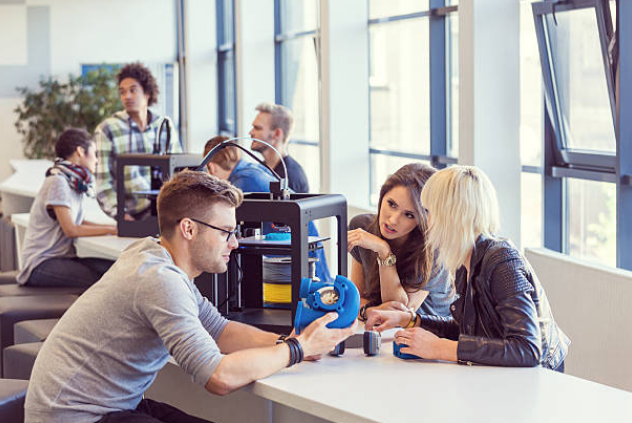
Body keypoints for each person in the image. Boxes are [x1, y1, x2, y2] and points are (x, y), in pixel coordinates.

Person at [25, 170, 355, 423]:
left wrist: (288, 340)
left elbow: (220, 329)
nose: (235, 243)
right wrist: (297, 349)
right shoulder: (159, 279)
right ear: (188, 229)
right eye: (226, 232)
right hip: (76, 417)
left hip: (104, 407)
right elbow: (219, 377)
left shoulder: (153, 255)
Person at [366, 165, 570, 370]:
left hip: (538, 380)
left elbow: (527, 349)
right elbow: (471, 330)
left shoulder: (502, 262)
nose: (426, 221)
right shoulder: (465, 260)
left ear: (451, 216)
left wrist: (439, 348)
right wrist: (410, 320)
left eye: (429, 212)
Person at [204, 136, 332, 282]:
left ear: (212, 168)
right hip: (310, 253)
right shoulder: (252, 168)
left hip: (298, 264)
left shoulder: (242, 183)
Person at [348, 163, 452, 320]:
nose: (393, 219)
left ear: (423, 219)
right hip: (383, 332)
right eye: (391, 204)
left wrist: (384, 251)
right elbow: (354, 299)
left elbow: (399, 313)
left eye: (409, 214)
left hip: (432, 336)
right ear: (382, 197)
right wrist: (367, 312)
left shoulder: (434, 249)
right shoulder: (363, 227)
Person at [16, 128, 117, 288]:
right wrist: (110, 230)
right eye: (94, 154)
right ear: (80, 151)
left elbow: (78, 221)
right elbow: (71, 229)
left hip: (61, 258)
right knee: (106, 282)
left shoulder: (73, 182)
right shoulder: (58, 181)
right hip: (40, 264)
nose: (97, 160)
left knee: (115, 270)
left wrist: (113, 228)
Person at [95, 62, 181, 221]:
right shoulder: (107, 129)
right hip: (132, 216)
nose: (126, 96)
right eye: (122, 92)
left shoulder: (164, 126)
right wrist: (121, 214)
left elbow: (179, 172)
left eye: (133, 90)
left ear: (147, 92)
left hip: (166, 214)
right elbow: (103, 183)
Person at [249, 102, 309, 193]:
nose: (251, 132)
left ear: (277, 134)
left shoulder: (290, 177)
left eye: (257, 128)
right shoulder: (262, 169)